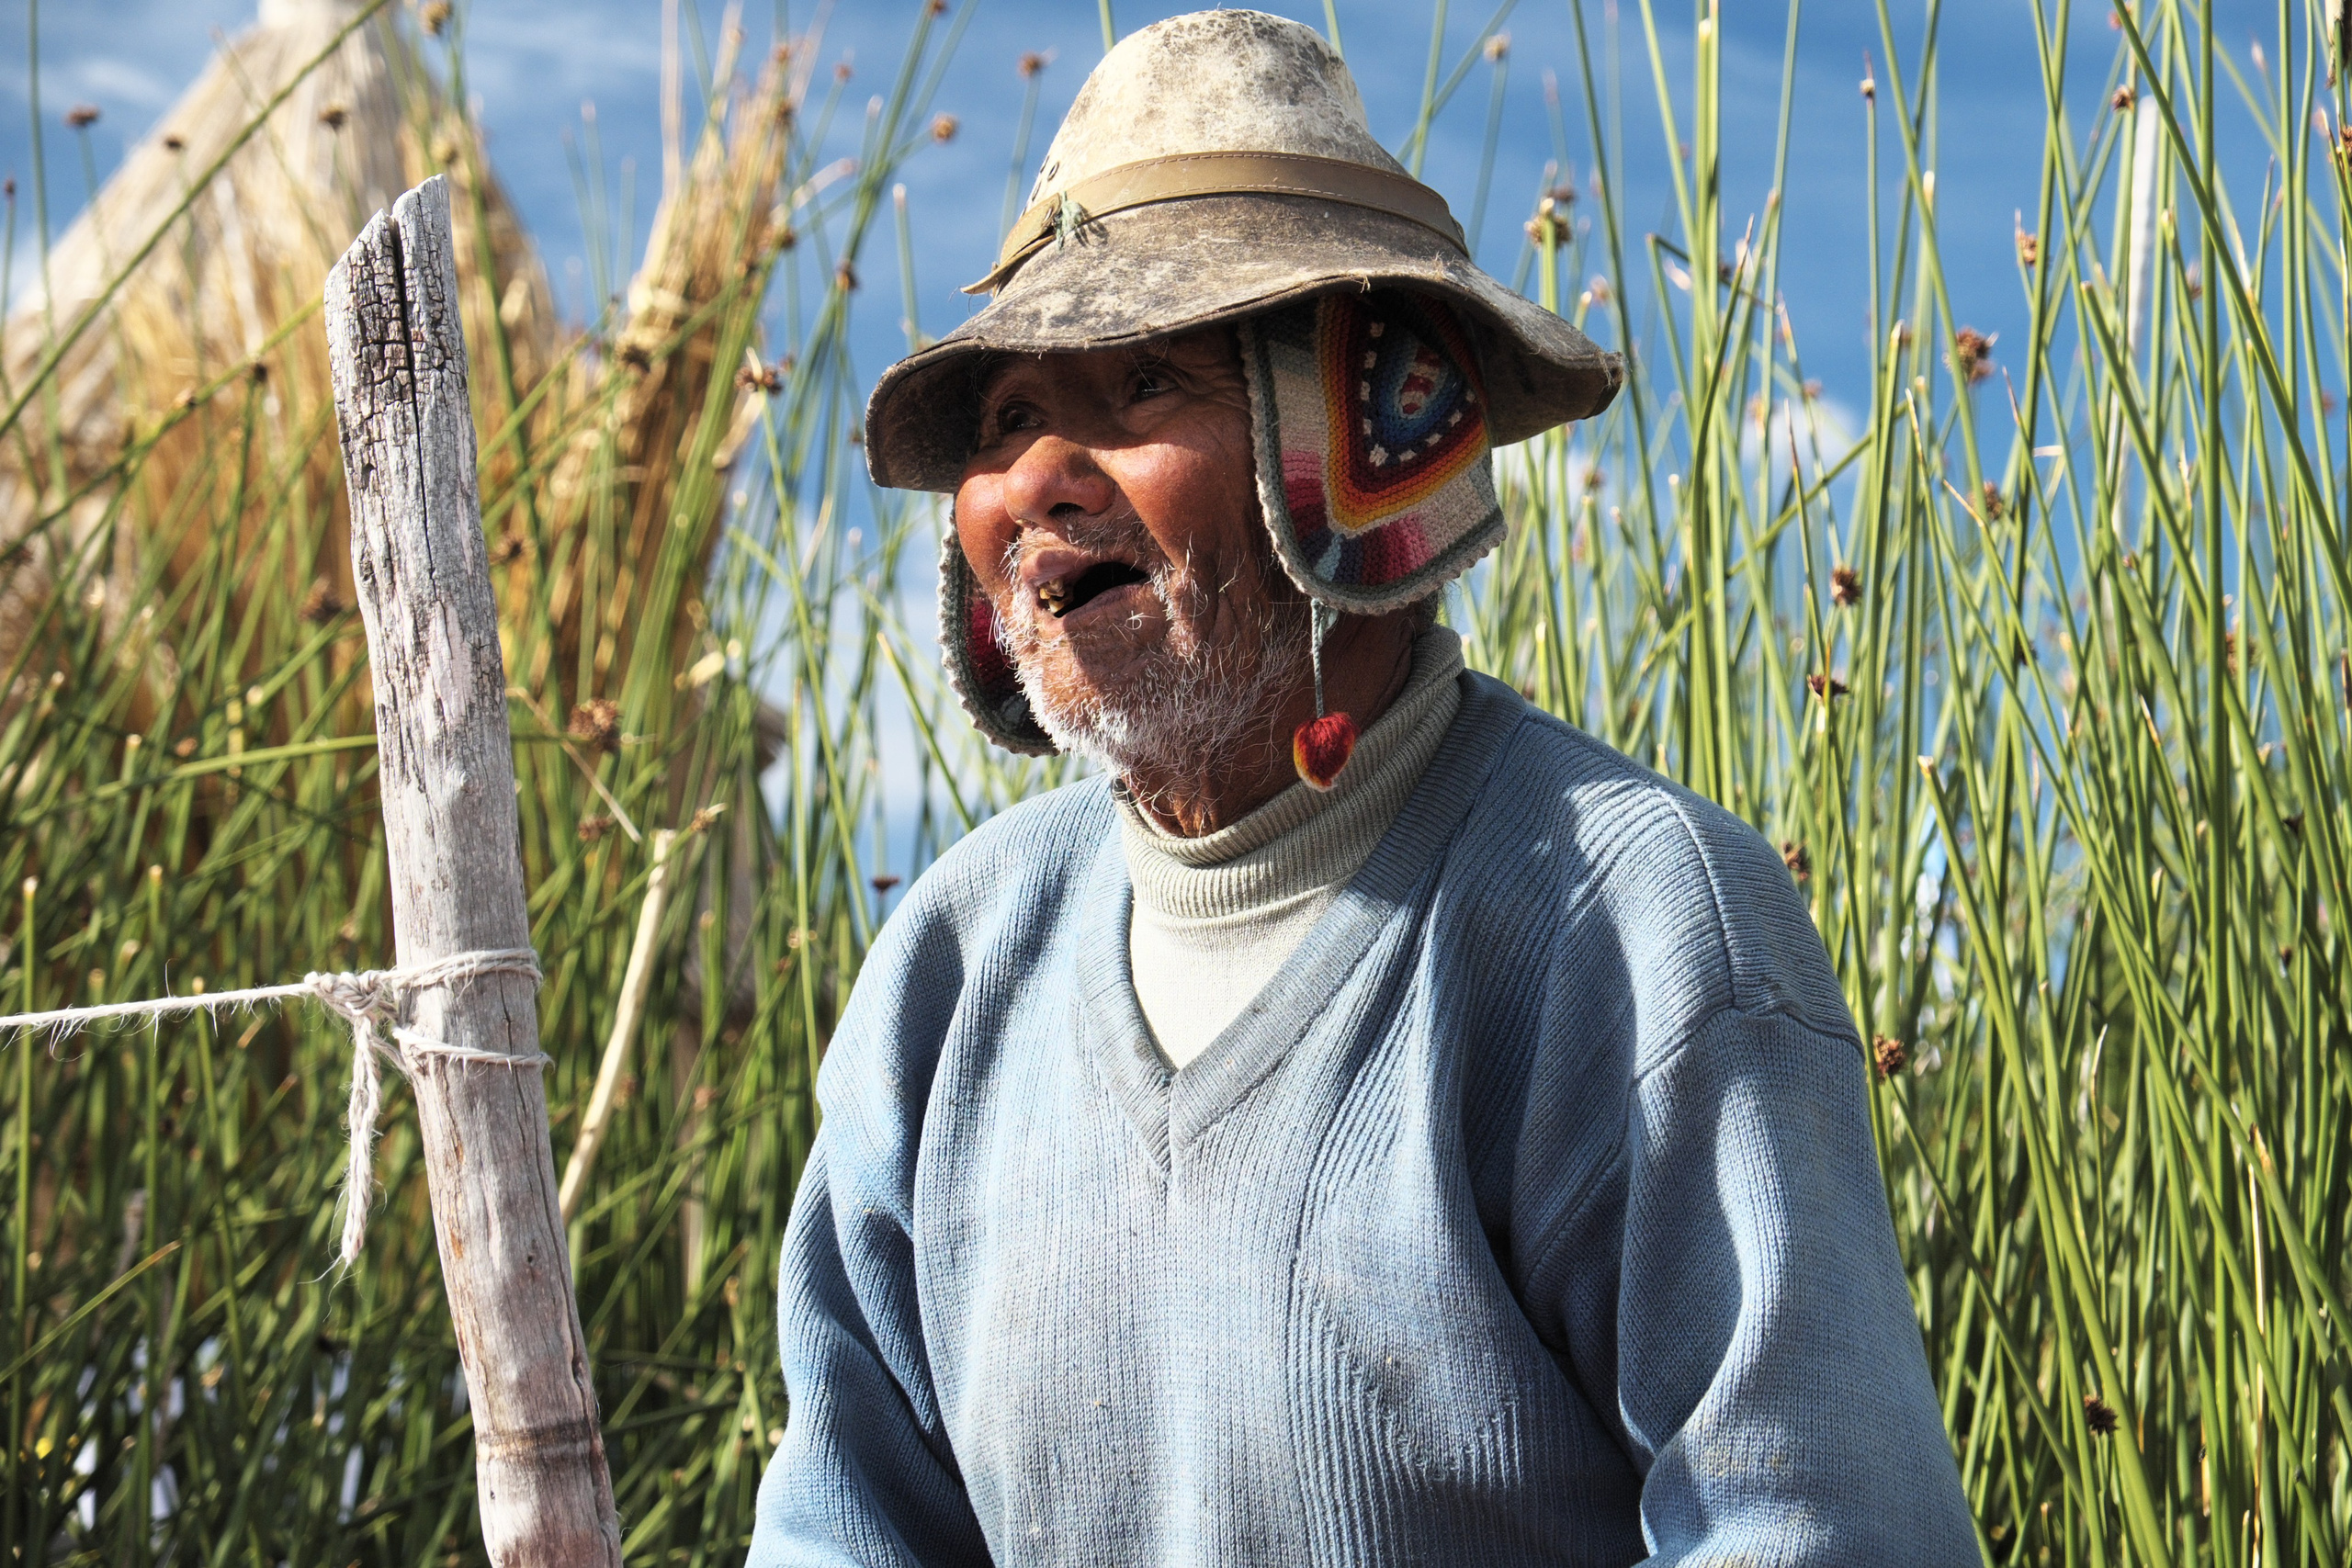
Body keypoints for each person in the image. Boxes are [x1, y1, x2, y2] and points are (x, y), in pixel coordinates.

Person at [751, 11, 1979, 1564]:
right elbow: (843, 1524)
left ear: (1360, 438)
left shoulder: (1632, 928)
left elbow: (1809, 1528)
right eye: (1006, 421)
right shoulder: (953, 968)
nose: (1036, 480)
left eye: (1142, 382)